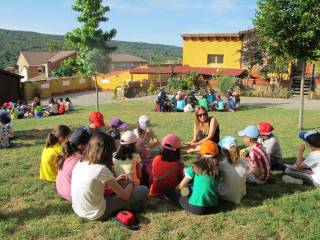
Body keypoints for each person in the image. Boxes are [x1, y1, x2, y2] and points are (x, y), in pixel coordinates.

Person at [71, 132, 148, 221]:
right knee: (143, 190)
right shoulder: (101, 169)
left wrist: (115, 180)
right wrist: (130, 183)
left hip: (79, 211)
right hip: (97, 214)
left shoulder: (79, 163)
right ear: (107, 151)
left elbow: (94, 185)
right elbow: (125, 196)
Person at [164, 143, 220, 215]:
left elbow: (180, 186)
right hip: (213, 207)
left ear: (201, 153)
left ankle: (188, 192)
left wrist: (176, 190)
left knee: (169, 191)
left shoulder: (195, 167)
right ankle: (190, 191)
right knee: (192, 187)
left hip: (196, 208)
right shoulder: (218, 169)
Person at [56, 128, 91, 202]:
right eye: (89, 144)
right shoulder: (81, 159)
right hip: (73, 196)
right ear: (81, 146)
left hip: (62, 190)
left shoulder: (66, 154)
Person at [218, 136, 247, 204]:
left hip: (225, 195)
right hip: (241, 194)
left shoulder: (222, 165)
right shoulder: (244, 162)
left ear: (223, 151)